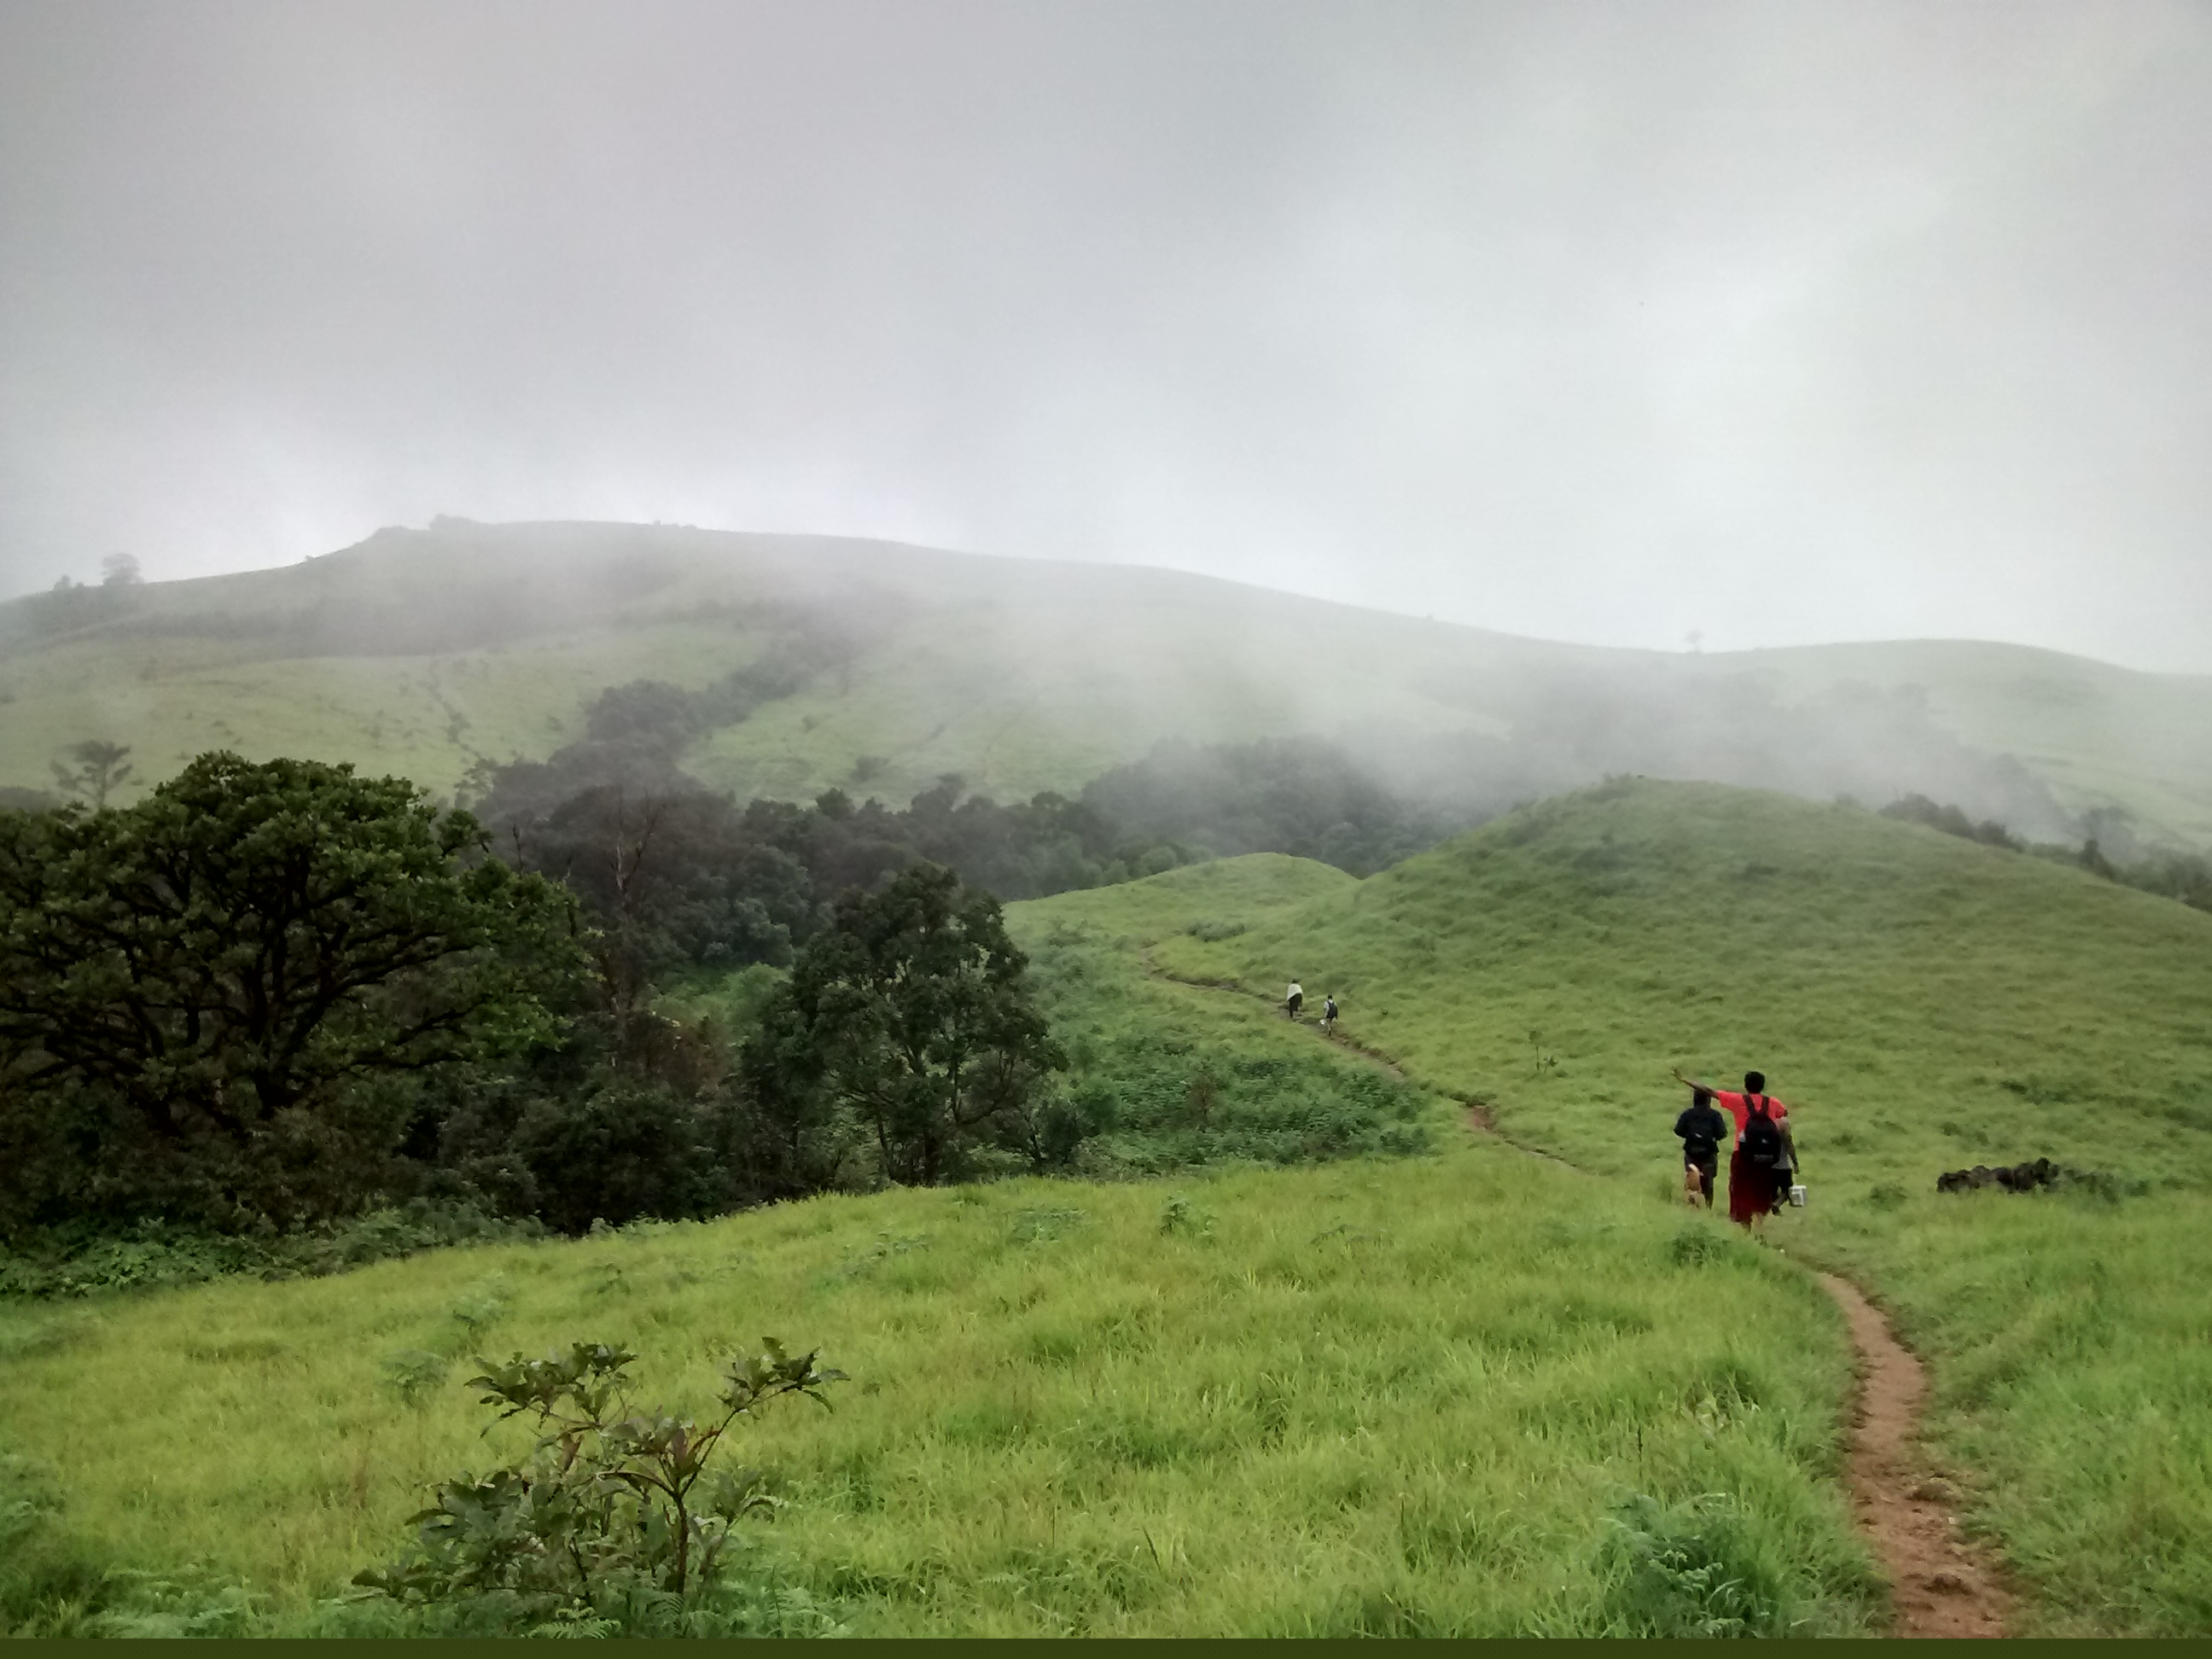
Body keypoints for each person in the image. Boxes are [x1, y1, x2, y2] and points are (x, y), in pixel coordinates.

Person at [1672, 1068, 1800, 1228]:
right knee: (1762, 1188)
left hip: (1743, 1153)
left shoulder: (1738, 1100)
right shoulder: (1773, 1103)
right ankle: (1760, 1223)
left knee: (1739, 1188)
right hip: (1767, 1156)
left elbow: (1709, 1091)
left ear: (1745, 1085)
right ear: (1763, 1085)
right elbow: (1784, 1114)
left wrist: (1685, 1080)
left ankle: (1741, 1221)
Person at [1673, 1086, 1726, 1209]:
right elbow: (1722, 1133)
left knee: (1692, 1180)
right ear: (1709, 1100)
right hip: (1709, 1153)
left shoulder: (1687, 1114)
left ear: (1694, 1099)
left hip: (1691, 1152)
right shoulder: (1715, 1115)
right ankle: (1708, 1206)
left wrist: (1689, 1135)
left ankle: (1693, 1206)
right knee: (1709, 1180)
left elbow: (1678, 1130)